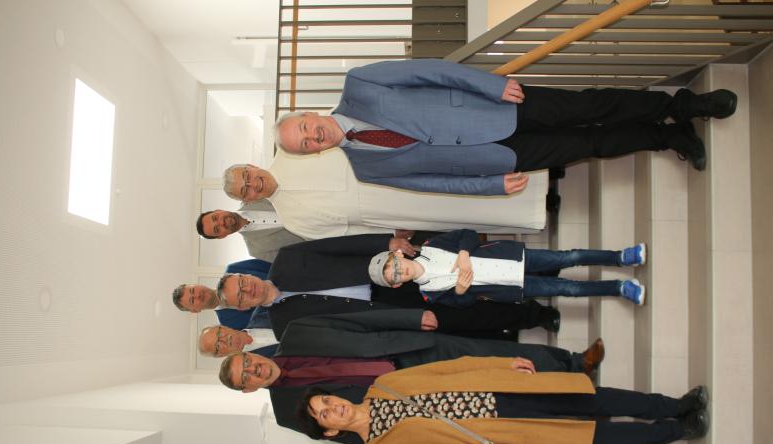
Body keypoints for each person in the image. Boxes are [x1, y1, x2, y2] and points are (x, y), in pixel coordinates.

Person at [275, 59, 738, 194]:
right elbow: (433, 183)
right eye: (306, 145)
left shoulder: (361, 83)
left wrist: (491, 85)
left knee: (589, 105)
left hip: (496, 107)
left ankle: (684, 104)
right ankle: (668, 136)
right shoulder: (366, 170)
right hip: (498, 158)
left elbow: (431, 71)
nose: (314, 136)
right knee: (590, 144)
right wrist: (491, 186)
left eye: (306, 128)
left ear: (308, 114)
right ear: (312, 153)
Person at [217, 309, 606, 444]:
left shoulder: (296, 332)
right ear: (247, 389)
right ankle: (566, 394)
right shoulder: (288, 413)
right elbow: (348, 433)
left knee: (491, 353)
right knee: (493, 386)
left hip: (407, 348)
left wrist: (408, 318)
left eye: (246, 362)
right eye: (245, 377)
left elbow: (357, 322)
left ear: (250, 353)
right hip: (410, 396)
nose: (253, 370)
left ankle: (573, 364)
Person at [297, 357, 710, 444]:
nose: (332, 407)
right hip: (502, 431)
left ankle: (674, 405)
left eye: (327, 400)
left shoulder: (384, 385)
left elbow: (449, 368)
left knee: (598, 398)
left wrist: (501, 363)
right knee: (597, 436)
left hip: (506, 391)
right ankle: (678, 430)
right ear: (330, 431)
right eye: (324, 415)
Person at [214, 233, 561, 339]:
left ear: (248, 275)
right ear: (243, 309)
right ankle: (535, 316)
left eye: (242, 283)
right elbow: (338, 335)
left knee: (461, 278)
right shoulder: (282, 328)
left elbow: (340, 246)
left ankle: (530, 278)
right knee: (465, 317)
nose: (247, 290)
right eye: (240, 297)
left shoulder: (288, 258)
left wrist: (387, 242)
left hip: (391, 275)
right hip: (385, 314)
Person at [222, 148, 549, 237]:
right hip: (387, 212)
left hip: (389, 171)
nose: (253, 184)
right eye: (245, 190)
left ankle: (535, 179)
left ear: (252, 165)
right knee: (454, 211)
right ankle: (529, 211)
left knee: (455, 174)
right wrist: (391, 232)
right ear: (248, 201)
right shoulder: (292, 222)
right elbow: (347, 233)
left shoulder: (291, 149)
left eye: (247, 176)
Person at [368, 229, 648, 306]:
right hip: (510, 287)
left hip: (511, 257)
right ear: (397, 284)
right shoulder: (429, 294)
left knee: (568, 257)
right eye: (394, 276)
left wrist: (464, 253)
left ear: (399, 255)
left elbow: (468, 233)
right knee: (567, 289)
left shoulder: (432, 245)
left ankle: (620, 257)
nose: (399, 271)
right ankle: (618, 288)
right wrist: (462, 291)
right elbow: (463, 304)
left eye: (395, 265)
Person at [172, 259, 270, 330]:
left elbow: (272, 266)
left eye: (193, 290)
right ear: (195, 311)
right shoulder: (230, 325)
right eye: (192, 300)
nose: (197, 295)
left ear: (197, 284)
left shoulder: (234, 269)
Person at [195, 200, 304, 263]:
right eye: (217, 229)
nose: (221, 222)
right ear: (222, 236)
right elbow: (295, 258)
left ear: (219, 210)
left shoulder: (252, 197)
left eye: (215, 217)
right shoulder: (256, 251)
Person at [198, 325, 278, 358]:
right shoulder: (259, 367)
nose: (224, 340)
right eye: (218, 345)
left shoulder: (262, 312)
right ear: (220, 355)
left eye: (219, 334)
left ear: (224, 327)